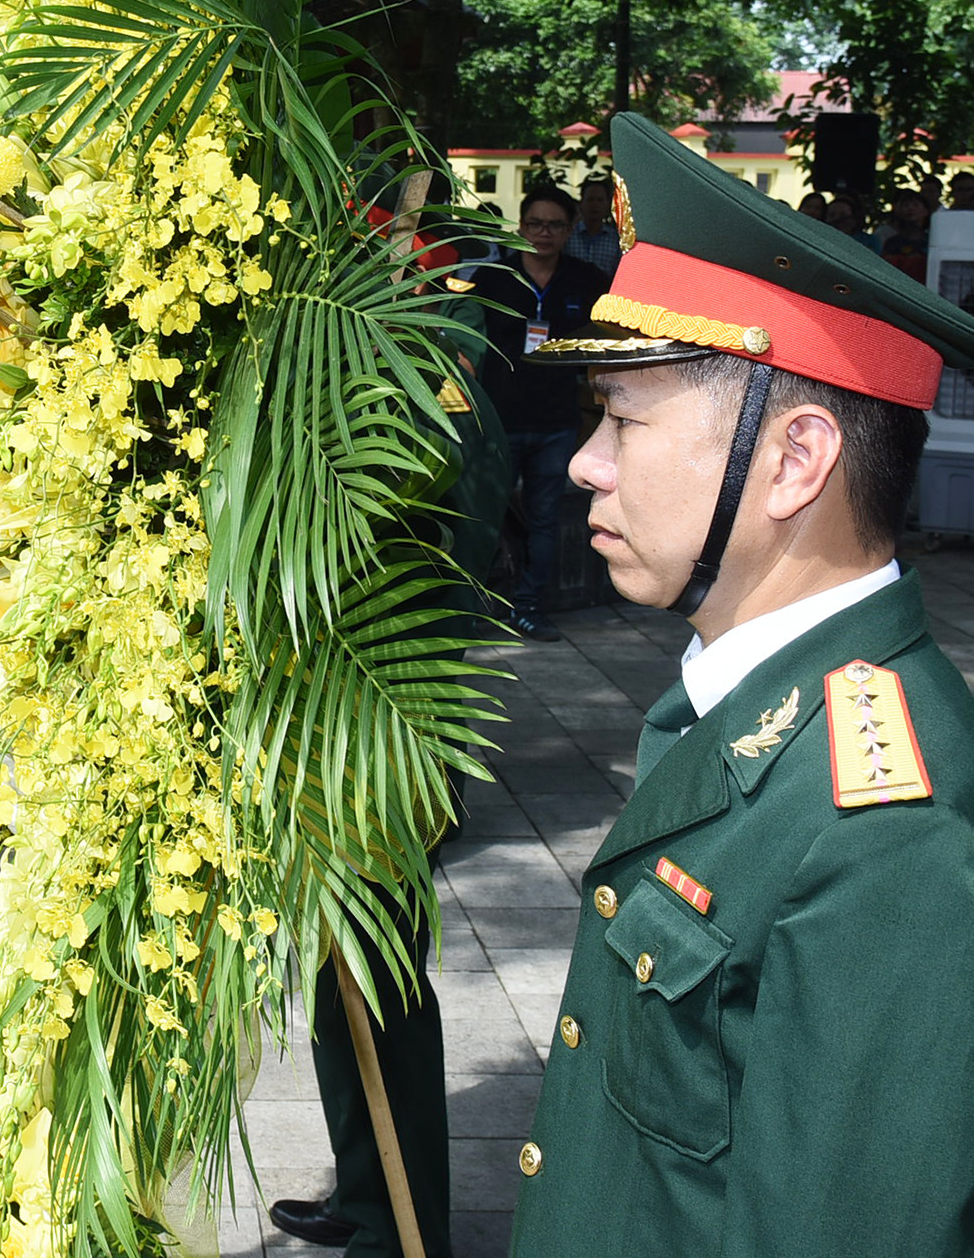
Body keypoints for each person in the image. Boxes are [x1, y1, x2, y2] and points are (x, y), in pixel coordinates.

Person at [511, 112, 974, 1255]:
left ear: (797, 459)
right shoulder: (734, 704)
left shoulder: (888, 832)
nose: (586, 463)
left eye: (622, 420)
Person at [269, 223, 512, 1258]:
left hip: (383, 702)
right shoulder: (357, 334)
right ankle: (368, 1192)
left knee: (378, 975)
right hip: (329, 697)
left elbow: (454, 511)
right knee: (339, 974)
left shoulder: (427, 342)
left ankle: (404, 1229)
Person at [467, 186, 609, 642]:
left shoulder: (585, 279)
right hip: (500, 419)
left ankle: (528, 607)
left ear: (569, 230)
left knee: (544, 517)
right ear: (521, 227)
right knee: (486, 515)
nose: (542, 233)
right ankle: (478, 605)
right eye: (534, 224)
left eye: (553, 225)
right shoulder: (493, 278)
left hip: (555, 421)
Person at [566, 174, 621, 278]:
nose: (595, 205)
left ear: (608, 205)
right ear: (581, 203)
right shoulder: (568, 235)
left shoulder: (616, 239)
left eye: (600, 200)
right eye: (590, 200)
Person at [879, 187, 930, 282]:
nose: (910, 209)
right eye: (906, 205)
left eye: (915, 205)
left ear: (925, 211)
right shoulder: (892, 243)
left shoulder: (932, 242)